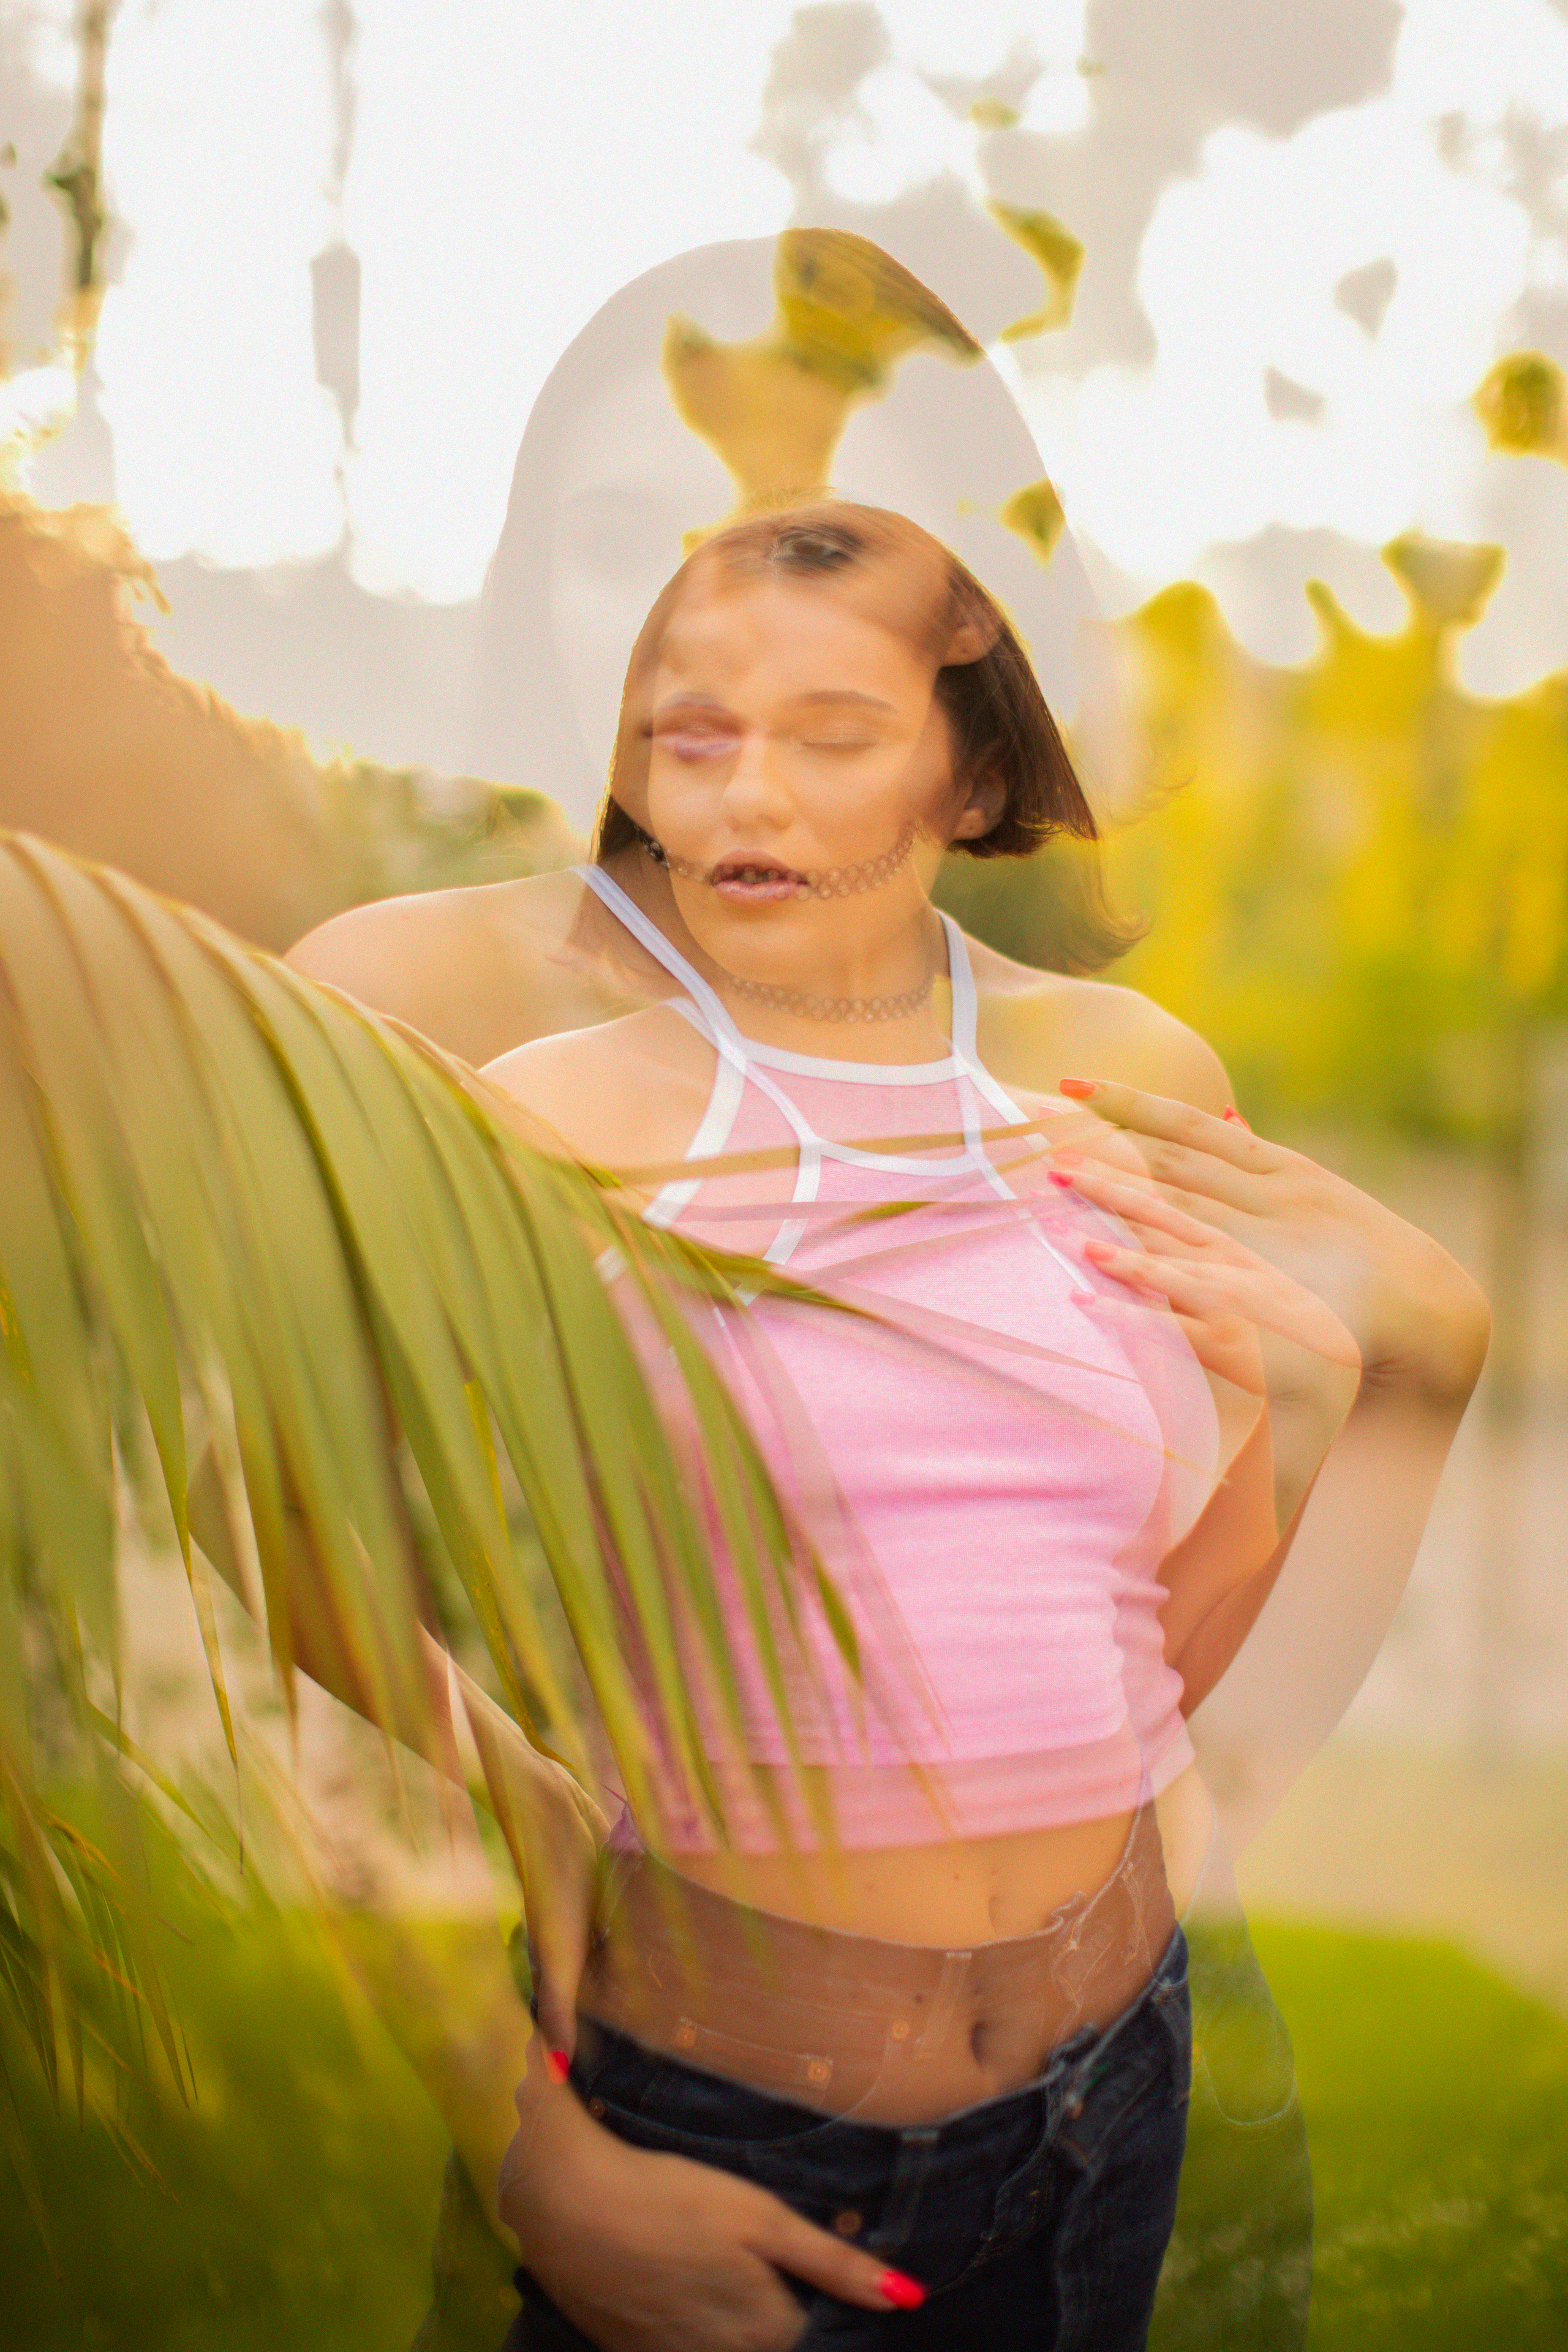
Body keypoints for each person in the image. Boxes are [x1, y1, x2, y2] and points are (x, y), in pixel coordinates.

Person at [430, 496, 1366, 2350]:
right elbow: (288, 1558)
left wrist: (1326, 1419)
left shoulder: (1136, 1083)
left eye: (831, 738)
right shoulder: (543, 1124)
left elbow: (1180, 1630)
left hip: (1105, 2095)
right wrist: (530, 2139)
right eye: (690, 740)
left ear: (970, 771)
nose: (742, 797)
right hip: (724, 2117)